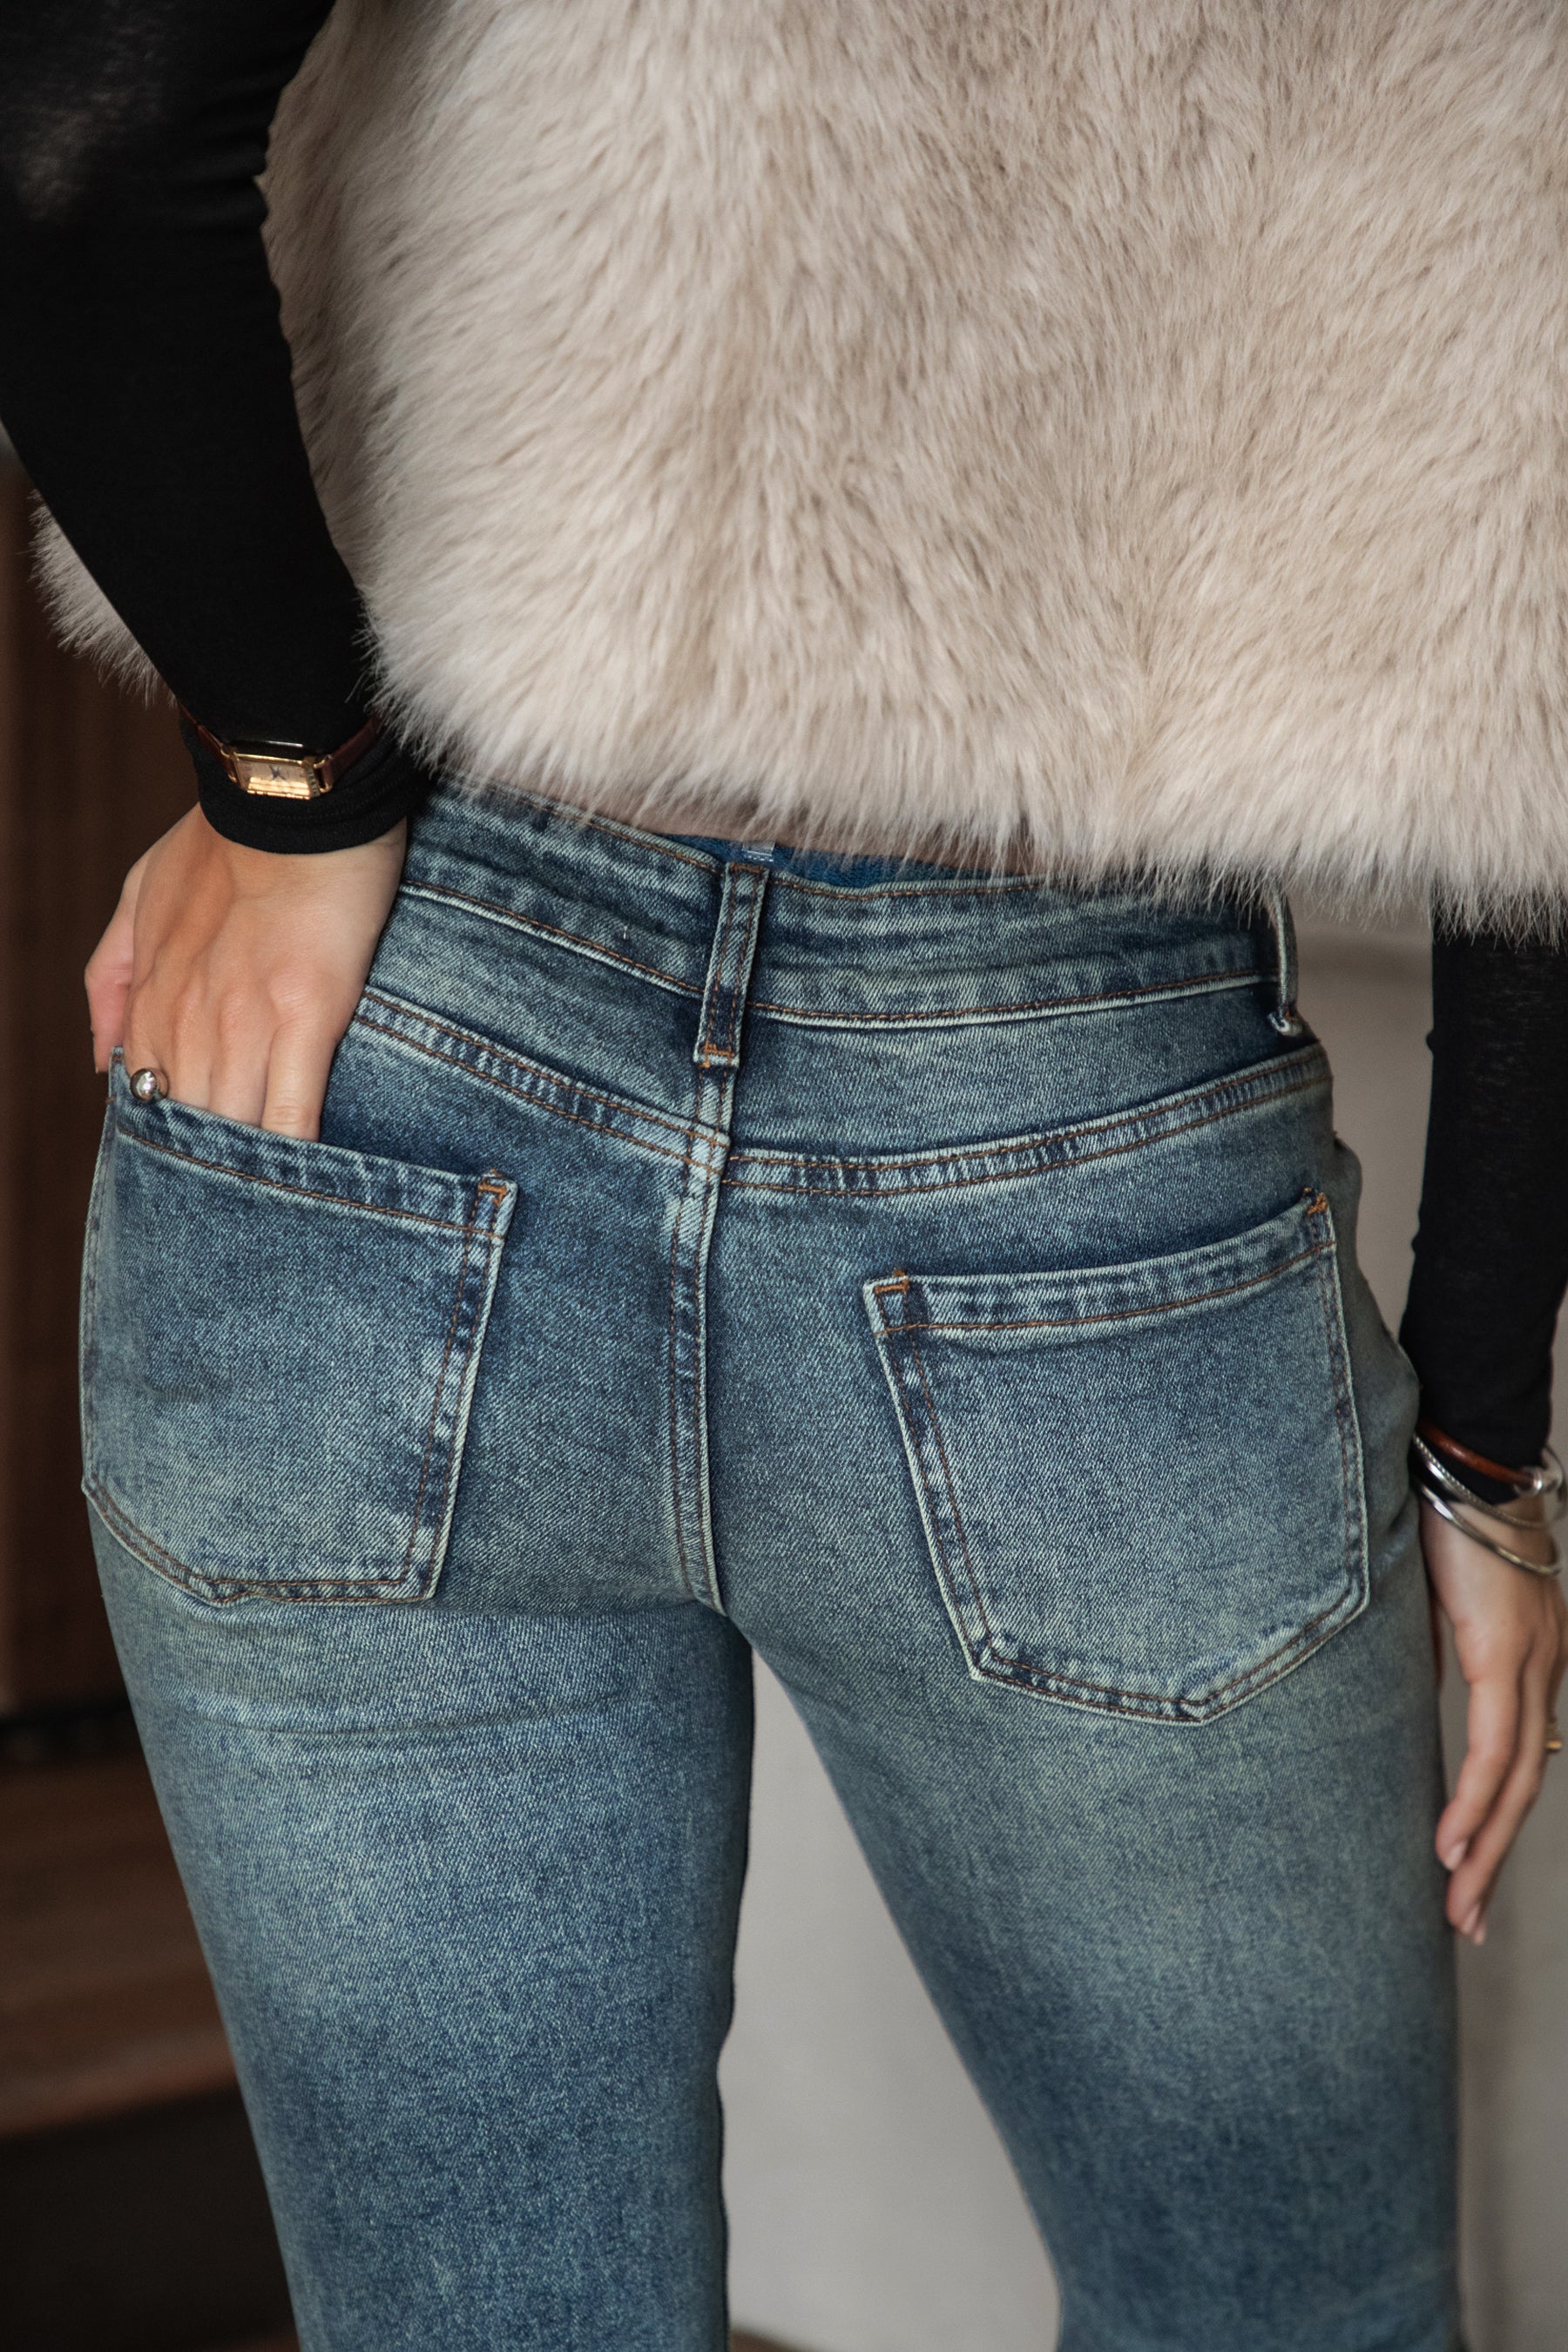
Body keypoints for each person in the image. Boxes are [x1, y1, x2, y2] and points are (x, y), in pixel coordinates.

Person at [2, 6, 1565, 2347]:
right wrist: (1480, 1432)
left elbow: (80, 129)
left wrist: (288, 778)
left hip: (401, 1046)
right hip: (1076, 1130)